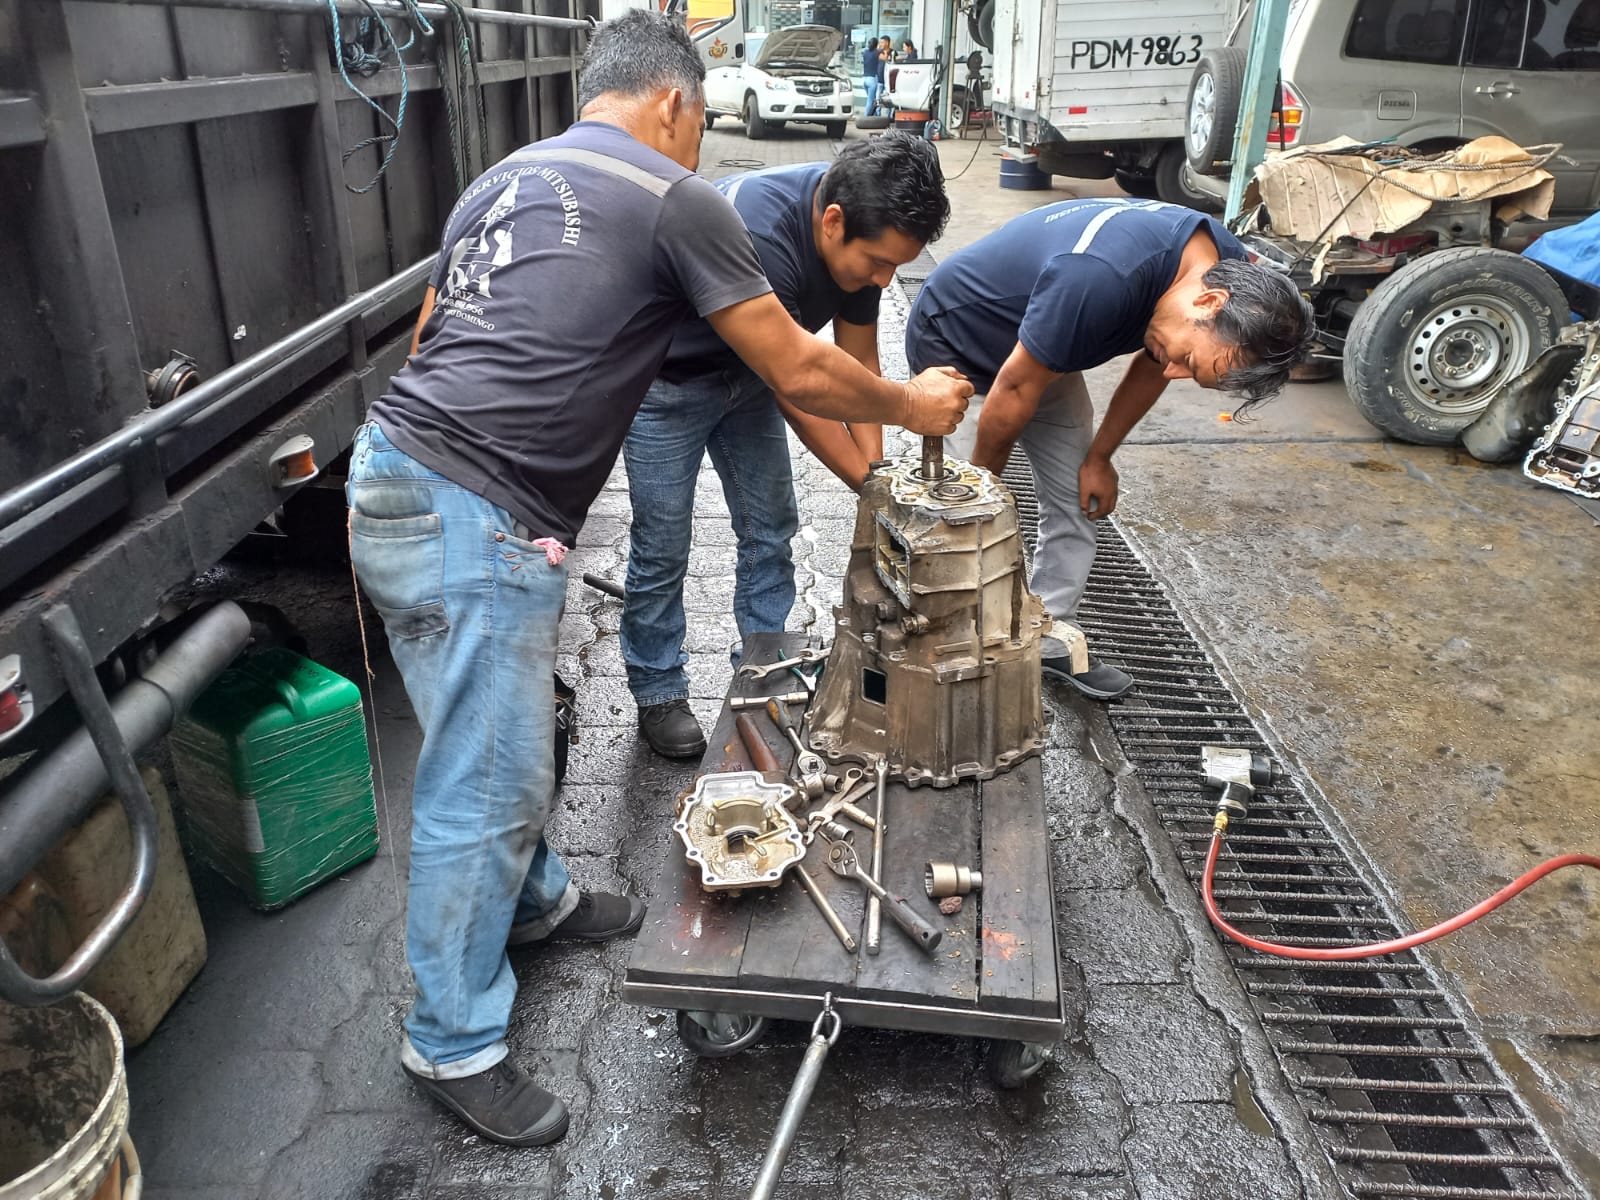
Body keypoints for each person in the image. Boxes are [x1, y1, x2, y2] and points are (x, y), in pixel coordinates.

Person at [347, 9, 971, 1149]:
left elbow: (433, 333)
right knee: (482, 784)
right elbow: (796, 369)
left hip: (395, 472)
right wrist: (911, 406)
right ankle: (450, 1042)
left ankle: (536, 903)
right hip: (474, 509)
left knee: (490, 737)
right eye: (696, 121)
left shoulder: (503, 178)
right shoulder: (676, 195)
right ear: (678, 102)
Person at [621, 134, 951, 757]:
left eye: (894, 267)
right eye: (877, 263)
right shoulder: (762, 233)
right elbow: (800, 390)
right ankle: (658, 687)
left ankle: (763, 663)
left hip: (749, 379)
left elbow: (858, 360)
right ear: (832, 223)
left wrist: (877, 473)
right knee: (662, 543)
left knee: (770, 526)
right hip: (668, 384)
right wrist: (870, 487)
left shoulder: (866, 223)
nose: (884, 279)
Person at [905, 197, 1314, 700]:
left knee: (1077, 499)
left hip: (1048, 351)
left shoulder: (1221, 268)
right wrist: (980, 493)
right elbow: (1013, 389)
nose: (1172, 371)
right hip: (960, 344)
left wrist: (1100, 457)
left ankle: (1048, 636)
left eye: (1191, 374)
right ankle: (951, 648)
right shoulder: (1098, 277)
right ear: (1210, 302)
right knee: (962, 520)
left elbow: (1153, 364)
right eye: (1188, 360)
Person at [861, 34, 885, 115]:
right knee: (870, 101)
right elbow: (885, 58)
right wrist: (882, 50)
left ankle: (875, 116)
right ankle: (866, 117)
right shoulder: (877, 53)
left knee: (872, 99)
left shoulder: (865, 52)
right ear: (876, 45)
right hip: (872, 79)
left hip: (864, 79)